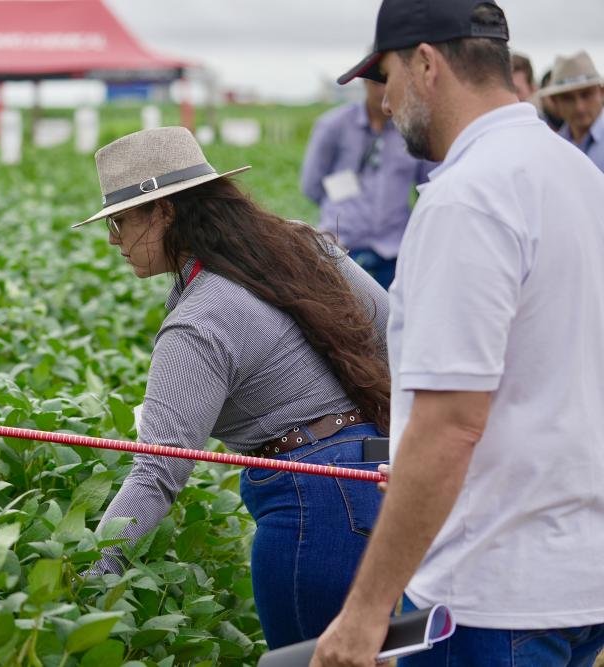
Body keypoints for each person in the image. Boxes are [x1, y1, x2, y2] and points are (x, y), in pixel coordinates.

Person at [312, 0, 604, 665]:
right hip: (583, 576)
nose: (385, 102)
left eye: (387, 76)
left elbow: (451, 426)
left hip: (494, 593)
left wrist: (364, 614)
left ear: (426, 63)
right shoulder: (578, 175)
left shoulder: (469, 196)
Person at [72, 126, 391, 650]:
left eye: (120, 220)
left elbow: (158, 469)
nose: (112, 238)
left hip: (310, 510)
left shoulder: (199, 321)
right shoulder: (298, 245)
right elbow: (391, 329)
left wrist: (92, 574)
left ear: (164, 212)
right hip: (380, 482)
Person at [300, 79, 432, 289]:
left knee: (392, 317)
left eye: (391, 80)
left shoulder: (413, 130)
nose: (384, 90)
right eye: (378, 82)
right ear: (364, 82)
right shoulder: (333, 125)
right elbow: (311, 185)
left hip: (395, 250)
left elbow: (428, 188)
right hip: (340, 248)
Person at [542, 51, 604, 172]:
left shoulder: (553, 145)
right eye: (568, 99)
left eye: (586, 95)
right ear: (555, 102)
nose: (579, 107)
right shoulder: (552, 146)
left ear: (601, 93)